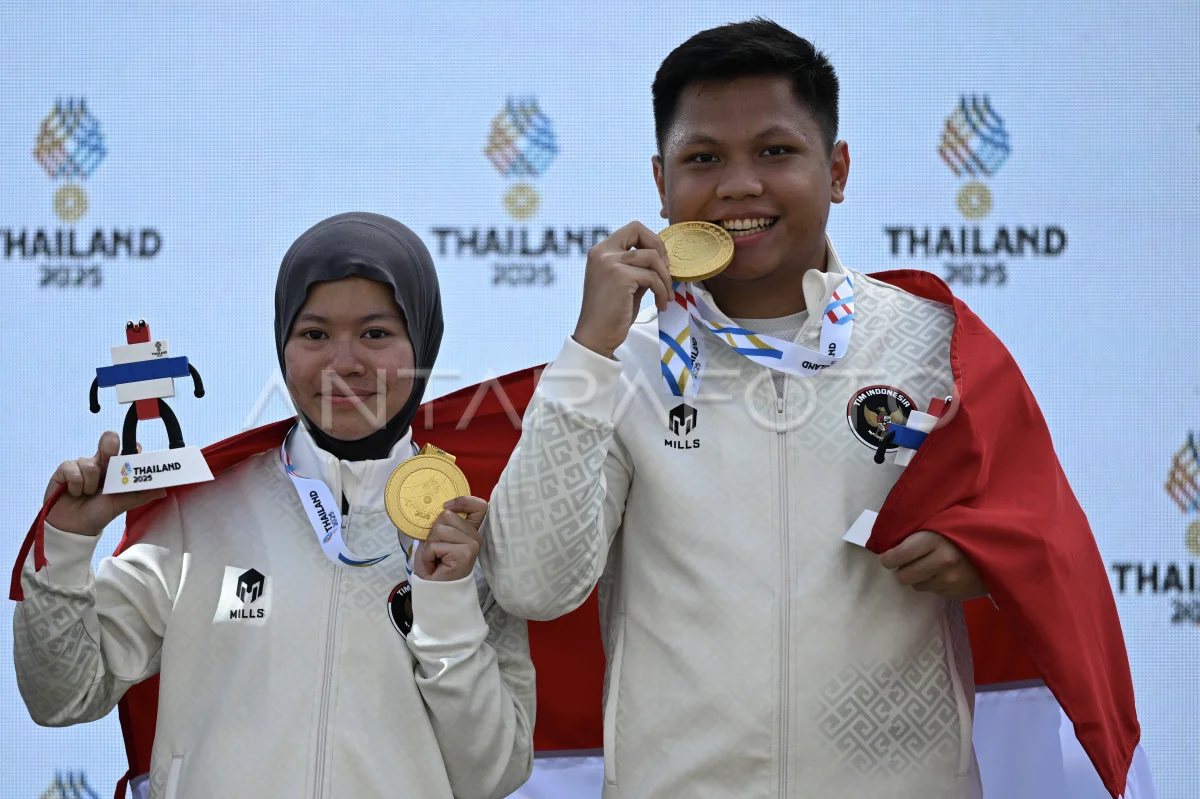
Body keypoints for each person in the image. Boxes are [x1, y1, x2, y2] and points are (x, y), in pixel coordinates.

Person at [479, 19, 1137, 799]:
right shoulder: (623, 364)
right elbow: (533, 583)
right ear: (661, 181)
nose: (738, 184)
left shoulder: (937, 346)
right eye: (703, 158)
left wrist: (985, 563)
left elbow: (1046, 543)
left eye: (775, 151)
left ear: (838, 170)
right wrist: (589, 349)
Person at [13, 212, 534, 799]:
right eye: (314, 335)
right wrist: (66, 546)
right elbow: (64, 695)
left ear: (424, 343)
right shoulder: (203, 511)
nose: (344, 362)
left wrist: (445, 606)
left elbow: (492, 774)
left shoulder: (463, 535)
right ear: (282, 344)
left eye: (375, 334)